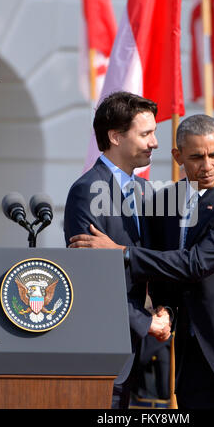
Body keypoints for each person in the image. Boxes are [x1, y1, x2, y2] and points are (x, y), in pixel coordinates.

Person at [71, 114, 214, 409]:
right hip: (194, 350)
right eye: (196, 157)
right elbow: (163, 266)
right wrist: (165, 310)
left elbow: (196, 263)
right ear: (178, 157)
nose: (207, 165)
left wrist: (121, 252)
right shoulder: (164, 202)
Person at [64, 91, 171, 409]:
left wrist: (164, 309)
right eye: (146, 134)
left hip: (135, 350)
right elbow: (89, 279)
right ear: (115, 136)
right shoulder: (85, 192)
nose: (154, 142)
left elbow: (152, 259)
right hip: (101, 349)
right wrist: (144, 321)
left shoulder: (143, 191)